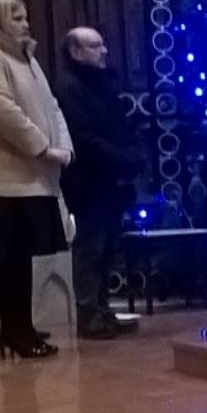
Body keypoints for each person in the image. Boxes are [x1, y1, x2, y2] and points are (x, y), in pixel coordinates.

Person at [0, 0, 72, 360]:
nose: (25, 24)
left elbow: (50, 106)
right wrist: (43, 148)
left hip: (28, 176)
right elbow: (3, 112)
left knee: (21, 256)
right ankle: (13, 330)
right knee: (3, 257)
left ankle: (21, 325)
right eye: (17, 18)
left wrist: (64, 145)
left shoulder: (26, 58)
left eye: (26, 17)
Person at [56, 27, 142, 340]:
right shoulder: (68, 87)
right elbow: (83, 137)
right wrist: (122, 158)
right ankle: (88, 314)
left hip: (111, 178)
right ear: (76, 52)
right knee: (90, 246)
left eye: (103, 44)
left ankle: (103, 309)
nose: (103, 50)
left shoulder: (103, 82)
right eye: (95, 46)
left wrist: (132, 155)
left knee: (108, 247)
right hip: (88, 179)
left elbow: (120, 124)